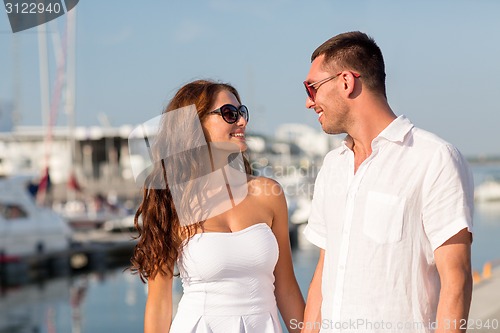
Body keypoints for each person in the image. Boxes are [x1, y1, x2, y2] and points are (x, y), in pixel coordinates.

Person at [301, 32, 473, 333]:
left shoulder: (433, 158)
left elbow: (456, 280)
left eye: (312, 88)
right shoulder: (332, 166)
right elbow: (322, 276)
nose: (308, 102)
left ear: (346, 82)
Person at [130, 79, 305, 333]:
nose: (242, 122)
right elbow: (159, 304)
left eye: (242, 112)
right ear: (195, 125)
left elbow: (287, 287)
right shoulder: (170, 200)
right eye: (229, 114)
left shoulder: (269, 193)